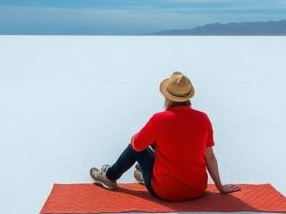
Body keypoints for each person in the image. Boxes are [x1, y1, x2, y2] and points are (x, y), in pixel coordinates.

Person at [90, 71, 241, 201]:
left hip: (166, 192)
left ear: (167, 96)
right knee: (169, 145)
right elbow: (210, 157)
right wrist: (220, 186)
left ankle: (109, 177)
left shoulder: (160, 119)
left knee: (135, 147)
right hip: (197, 190)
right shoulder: (203, 118)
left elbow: (137, 146)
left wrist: (136, 137)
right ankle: (143, 174)